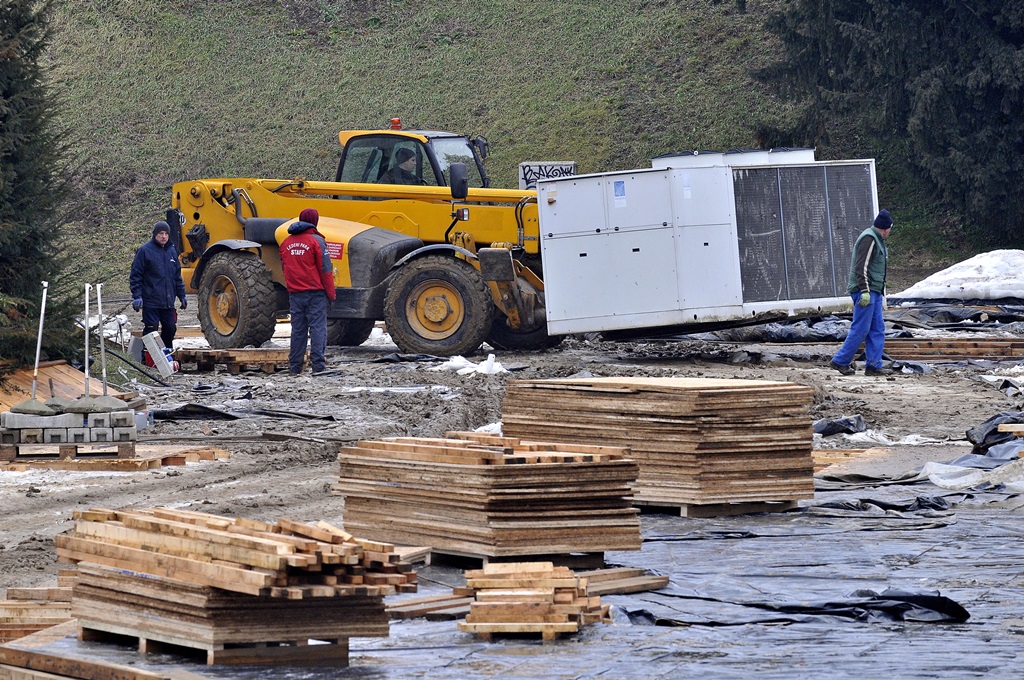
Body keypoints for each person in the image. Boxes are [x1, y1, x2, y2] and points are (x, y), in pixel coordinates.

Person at [830, 209, 894, 376]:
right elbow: (861, 267)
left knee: (877, 328)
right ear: (886, 228)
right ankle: (840, 361)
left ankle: (873, 365)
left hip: (875, 291)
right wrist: (864, 291)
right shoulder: (870, 238)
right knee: (861, 328)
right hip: (866, 291)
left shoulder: (876, 238)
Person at [280, 207, 336, 374]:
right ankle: (318, 366)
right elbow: (325, 270)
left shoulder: (286, 243)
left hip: (295, 293)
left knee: (298, 330)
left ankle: (295, 366)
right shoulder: (316, 241)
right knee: (318, 328)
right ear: (314, 221)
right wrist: (331, 294)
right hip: (315, 293)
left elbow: (284, 267)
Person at [129, 220, 187, 349]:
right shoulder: (145, 251)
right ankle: (147, 357)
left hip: (168, 302)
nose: (164, 236)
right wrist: (137, 296)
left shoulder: (172, 252)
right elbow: (135, 276)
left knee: (170, 328)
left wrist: (182, 295)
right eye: (161, 233)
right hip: (151, 301)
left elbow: (177, 277)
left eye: (166, 233)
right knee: (151, 329)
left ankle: (166, 355)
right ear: (155, 234)